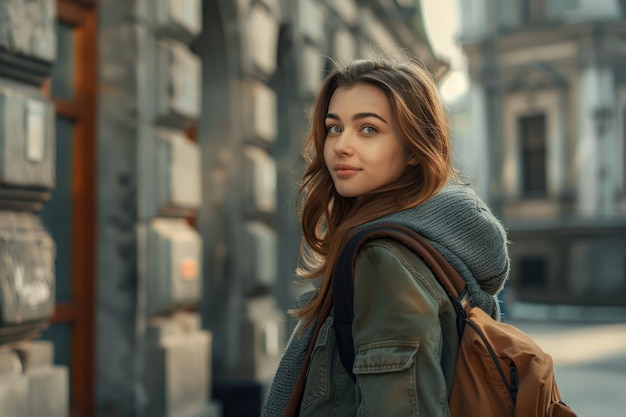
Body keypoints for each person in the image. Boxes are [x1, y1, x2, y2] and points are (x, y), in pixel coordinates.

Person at [261, 56, 510, 416]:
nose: (341, 146)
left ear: (413, 148)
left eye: (368, 129)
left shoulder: (384, 259)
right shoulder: (420, 245)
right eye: (335, 128)